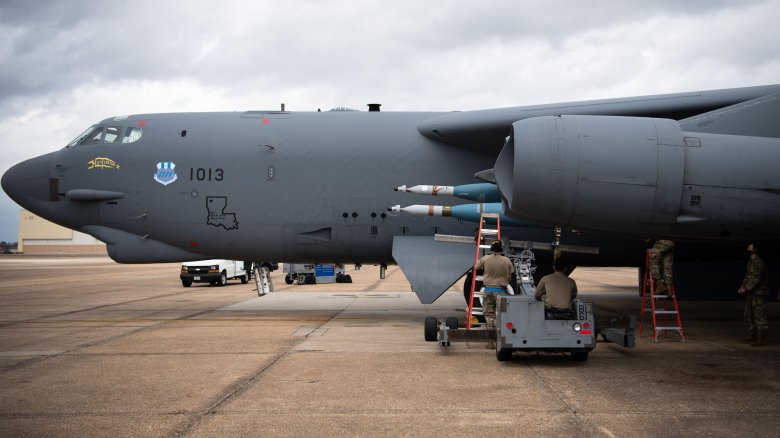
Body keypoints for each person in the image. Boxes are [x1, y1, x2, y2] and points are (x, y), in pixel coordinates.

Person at [475, 240, 514, 349]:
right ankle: (502, 340)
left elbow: (476, 268)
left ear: (491, 249)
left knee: (489, 316)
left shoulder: (485, 258)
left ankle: (490, 342)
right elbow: (510, 278)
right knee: (502, 315)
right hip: (501, 291)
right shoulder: (507, 261)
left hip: (488, 290)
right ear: (501, 250)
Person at [738, 243, 769, 346]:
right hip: (750, 293)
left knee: (759, 316)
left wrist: (746, 288)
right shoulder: (751, 262)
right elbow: (748, 276)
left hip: (758, 293)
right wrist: (743, 286)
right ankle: (752, 336)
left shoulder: (759, 263)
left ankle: (761, 338)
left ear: (755, 249)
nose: (748, 248)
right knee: (748, 315)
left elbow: (756, 278)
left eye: (750, 247)